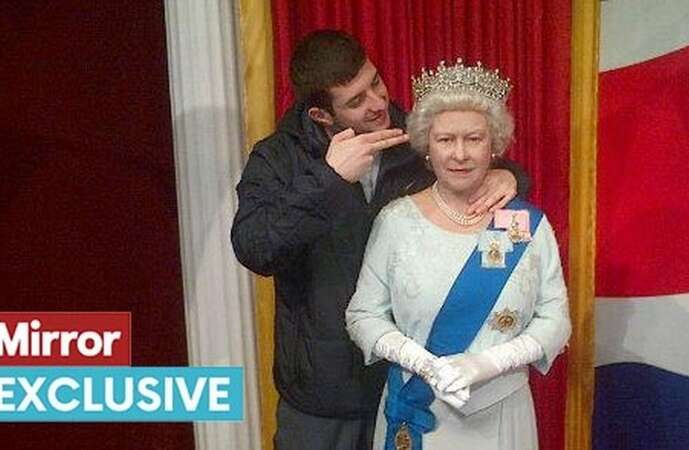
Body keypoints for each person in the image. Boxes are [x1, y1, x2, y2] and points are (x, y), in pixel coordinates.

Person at [232, 30, 529, 450]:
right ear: (321, 115)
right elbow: (254, 247)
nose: (376, 102)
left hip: (405, 380)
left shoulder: (414, 137)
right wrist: (329, 180)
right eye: (355, 100)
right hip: (321, 395)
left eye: (375, 82)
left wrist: (508, 175)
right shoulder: (278, 158)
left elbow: (483, 170)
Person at [345, 59, 571, 450]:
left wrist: (486, 364)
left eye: (474, 138)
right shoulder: (396, 221)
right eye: (446, 140)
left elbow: (556, 321)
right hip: (420, 411)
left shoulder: (522, 224)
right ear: (426, 146)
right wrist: (423, 364)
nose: (460, 154)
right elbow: (362, 315)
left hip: (504, 413)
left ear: (495, 144)